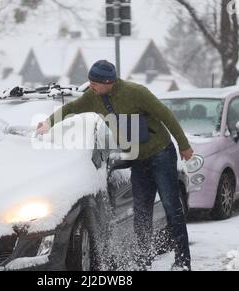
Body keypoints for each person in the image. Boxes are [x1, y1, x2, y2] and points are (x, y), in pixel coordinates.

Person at [36, 60, 193, 271]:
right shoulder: (93, 97)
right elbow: (72, 108)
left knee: (172, 208)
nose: (91, 86)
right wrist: (48, 122)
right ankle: (142, 260)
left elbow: (165, 114)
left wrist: (184, 145)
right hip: (138, 159)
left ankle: (182, 262)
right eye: (90, 81)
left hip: (161, 154)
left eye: (95, 83)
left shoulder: (136, 92)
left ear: (108, 82)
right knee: (141, 212)